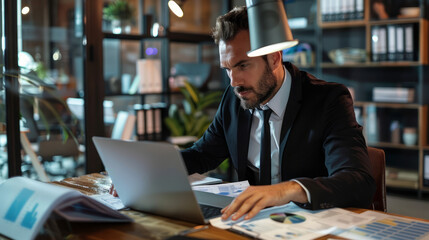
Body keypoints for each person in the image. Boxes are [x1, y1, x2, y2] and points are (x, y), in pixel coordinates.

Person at [180, 6, 375, 221]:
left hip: (312, 222)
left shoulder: (328, 100)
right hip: (252, 222)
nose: (234, 81)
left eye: (243, 65)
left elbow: (358, 181)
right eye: (227, 69)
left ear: (274, 58)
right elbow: (203, 154)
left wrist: (285, 190)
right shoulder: (235, 97)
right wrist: (151, 168)